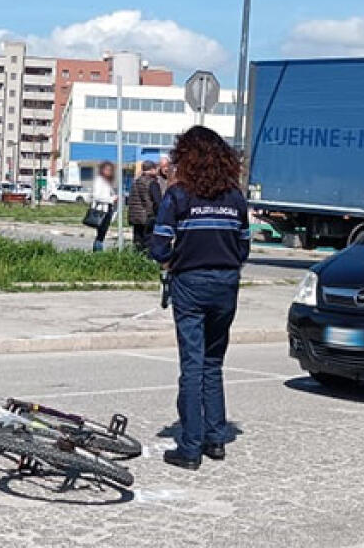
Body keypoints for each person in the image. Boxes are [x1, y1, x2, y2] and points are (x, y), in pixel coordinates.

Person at [150, 127, 250, 470]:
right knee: (213, 362)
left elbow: (159, 246)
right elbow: (244, 247)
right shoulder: (235, 198)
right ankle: (215, 438)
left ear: (185, 158)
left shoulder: (178, 197)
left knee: (192, 364)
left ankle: (190, 448)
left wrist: (173, 261)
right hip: (226, 284)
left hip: (190, 284)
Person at [126, 160, 159, 253]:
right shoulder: (152, 183)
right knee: (148, 244)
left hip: (135, 217)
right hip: (147, 217)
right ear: (152, 170)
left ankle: (136, 264)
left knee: (137, 244)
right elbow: (157, 202)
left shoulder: (135, 182)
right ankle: (147, 264)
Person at [90, 160, 118, 252]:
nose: (108, 172)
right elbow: (96, 196)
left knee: (102, 234)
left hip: (108, 210)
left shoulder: (109, 182)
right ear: (102, 170)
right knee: (100, 234)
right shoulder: (99, 180)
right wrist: (111, 199)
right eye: (106, 169)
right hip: (101, 211)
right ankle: (98, 252)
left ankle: (97, 251)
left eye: (110, 170)